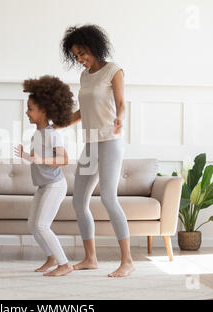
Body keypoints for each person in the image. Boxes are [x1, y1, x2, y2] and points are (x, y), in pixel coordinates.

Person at [59, 24, 135, 277]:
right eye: (76, 56)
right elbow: (83, 112)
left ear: (93, 47)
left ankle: (127, 261)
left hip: (110, 141)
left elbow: (121, 103)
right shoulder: (85, 76)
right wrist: (62, 121)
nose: (80, 59)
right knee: (79, 201)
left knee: (108, 198)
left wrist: (120, 118)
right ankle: (90, 258)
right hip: (90, 142)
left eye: (82, 53)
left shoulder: (114, 70)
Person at [14, 75, 74, 276]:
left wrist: (41, 159)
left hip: (55, 185)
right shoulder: (37, 134)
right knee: (33, 225)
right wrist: (27, 156)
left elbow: (64, 159)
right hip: (43, 185)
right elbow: (39, 157)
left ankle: (64, 264)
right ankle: (51, 257)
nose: (26, 112)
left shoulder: (52, 134)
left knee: (42, 224)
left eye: (30, 108)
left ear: (44, 111)